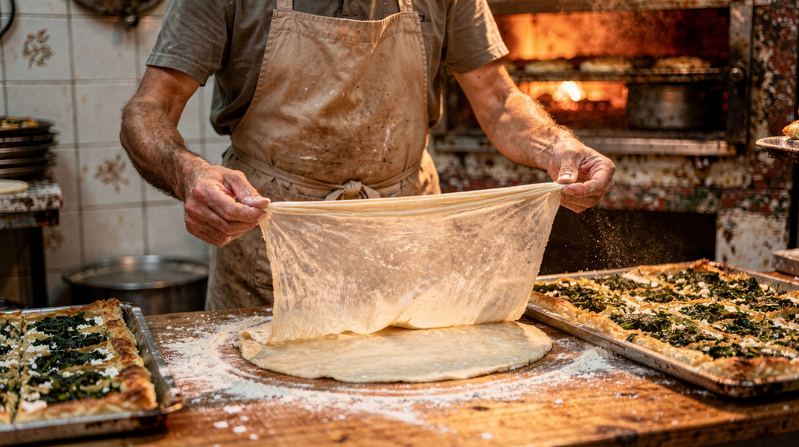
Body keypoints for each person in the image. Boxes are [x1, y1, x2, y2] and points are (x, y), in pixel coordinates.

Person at [120, 0, 615, 310]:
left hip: (406, 242)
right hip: (274, 247)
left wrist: (557, 146)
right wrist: (189, 174)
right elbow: (148, 108)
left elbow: (498, 98)